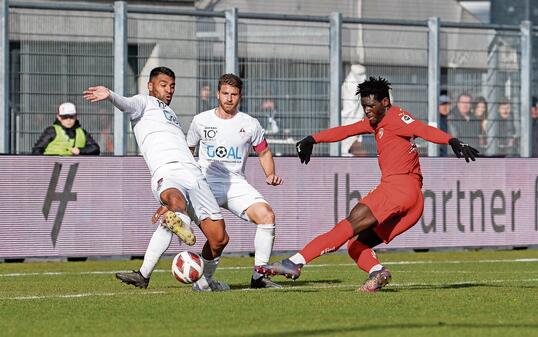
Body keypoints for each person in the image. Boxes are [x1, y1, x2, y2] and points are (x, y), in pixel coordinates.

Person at [255, 77, 479, 292]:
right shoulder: (377, 121)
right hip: (412, 202)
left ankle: (295, 262)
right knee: (356, 245)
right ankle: (377, 272)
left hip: (398, 190)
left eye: (371, 105)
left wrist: (452, 141)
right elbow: (346, 131)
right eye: (364, 106)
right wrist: (312, 139)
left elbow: (422, 129)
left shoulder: (396, 117)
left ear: (385, 102)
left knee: (348, 224)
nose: (367, 110)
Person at [83, 67, 231, 292]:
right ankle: (144, 273)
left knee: (219, 239)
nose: (169, 90)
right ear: (150, 86)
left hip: (194, 174)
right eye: (164, 85)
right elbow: (127, 104)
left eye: (172, 86)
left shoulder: (171, 114)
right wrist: (110, 95)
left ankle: (204, 282)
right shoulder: (143, 102)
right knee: (175, 204)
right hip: (166, 171)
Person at [156, 74, 284, 289]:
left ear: (240, 96)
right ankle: (202, 281)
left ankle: (259, 276)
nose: (229, 98)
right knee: (217, 238)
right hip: (205, 184)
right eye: (225, 93)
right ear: (218, 94)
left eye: (234, 94)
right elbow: (188, 152)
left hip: (236, 184)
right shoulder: (201, 120)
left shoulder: (250, 124)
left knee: (267, 216)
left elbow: (263, 152)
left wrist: (269, 174)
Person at [32, 102, 100, 156]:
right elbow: (37, 150)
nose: (68, 120)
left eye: (71, 117)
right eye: (65, 117)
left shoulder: (82, 132)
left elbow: (95, 148)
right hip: (52, 170)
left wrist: (80, 151)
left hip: (75, 170)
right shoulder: (52, 131)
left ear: (76, 117)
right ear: (59, 117)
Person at [438, 93, 450, 157]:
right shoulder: (436, 121)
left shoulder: (453, 119)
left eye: (447, 104)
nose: (445, 107)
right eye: (442, 104)